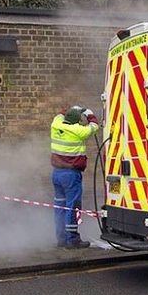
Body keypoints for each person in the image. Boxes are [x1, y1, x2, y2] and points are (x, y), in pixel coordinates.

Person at [50, 105, 100, 248]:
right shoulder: (78, 131)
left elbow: (60, 114)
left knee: (60, 206)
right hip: (71, 175)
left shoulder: (56, 124)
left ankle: (61, 239)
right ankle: (72, 240)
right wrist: (89, 114)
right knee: (72, 207)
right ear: (77, 122)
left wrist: (72, 109)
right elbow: (94, 126)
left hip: (56, 173)